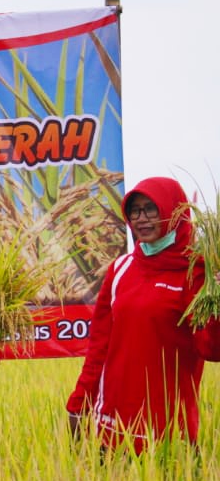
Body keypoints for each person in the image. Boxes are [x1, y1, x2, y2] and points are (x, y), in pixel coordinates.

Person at [66, 177, 220, 451]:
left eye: (152, 209)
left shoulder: (198, 272)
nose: (141, 218)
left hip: (171, 432)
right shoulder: (121, 269)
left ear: (175, 212)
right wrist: (79, 403)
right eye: (134, 210)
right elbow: (99, 347)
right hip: (112, 427)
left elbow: (212, 349)